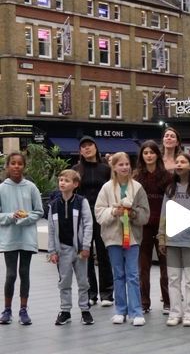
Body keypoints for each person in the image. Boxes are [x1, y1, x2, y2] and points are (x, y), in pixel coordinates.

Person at [95, 152, 150, 326]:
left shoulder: (138, 187)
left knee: (133, 274)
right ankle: (120, 309)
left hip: (132, 238)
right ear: (114, 167)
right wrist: (113, 212)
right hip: (113, 237)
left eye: (127, 164)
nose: (125, 167)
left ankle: (136, 311)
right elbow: (99, 212)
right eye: (121, 164)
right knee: (118, 274)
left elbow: (145, 213)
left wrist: (132, 213)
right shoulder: (106, 188)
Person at [158, 153, 190, 326]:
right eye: (177, 161)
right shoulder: (170, 189)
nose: (179, 164)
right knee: (173, 279)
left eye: (183, 161)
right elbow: (164, 216)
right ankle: (175, 313)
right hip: (172, 242)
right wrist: (162, 238)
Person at [0, 152, 43, 325]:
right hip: (9, 237)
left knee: (24, 273)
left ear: (24, 166)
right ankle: (7, 309)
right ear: (7, 166)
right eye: (13, 163)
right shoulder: (2, 188)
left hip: (27, 237)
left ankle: (23, 310)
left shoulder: (31, 187)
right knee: (10, 275)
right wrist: (12, 216)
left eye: (19, 163)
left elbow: (39, 211)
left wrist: (25, 218)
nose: (16, 166)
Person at [48, 169, 94, 326]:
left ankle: (85, 310)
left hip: (80, 250)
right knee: (64, 281)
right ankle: (65, 311)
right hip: (62, 250)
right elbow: (51, 229)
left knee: (83, 280)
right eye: (60, 179)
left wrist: (86, 246)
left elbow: (88, 224)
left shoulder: (82, 202)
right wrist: (52, 251)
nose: (62, 182)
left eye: (66, 180)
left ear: (75, 184)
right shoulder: (53, 205)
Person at [73, 136, 113, 307]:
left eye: (90, 145)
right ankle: (91, 292)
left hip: (102, 215)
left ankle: (107, 293)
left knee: (104, 254)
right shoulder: (76, 169)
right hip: (83, 216)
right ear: (80, 151)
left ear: (96, 148)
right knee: (86, 255)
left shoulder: (105, 169)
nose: (87, 148)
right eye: (83, 146)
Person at [134, 140, 172, 315]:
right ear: (142, 156)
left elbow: (172, 202)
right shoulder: (136, 177)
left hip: (163, 226)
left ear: (157, 154)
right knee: (143, 266)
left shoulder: (167, 177)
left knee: (165, 266)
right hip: (143, 226)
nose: (149, 155)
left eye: (152, 152)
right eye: (145, 152)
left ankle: (167, 301)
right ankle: (144, 302)